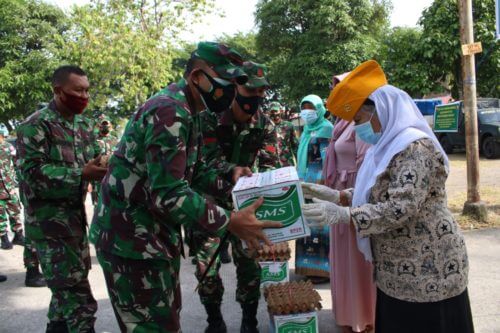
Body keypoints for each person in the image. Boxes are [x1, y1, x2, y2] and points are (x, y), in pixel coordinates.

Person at [89, 42, 281, 332]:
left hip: (151, 236)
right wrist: (230, 221)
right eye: (226, 82)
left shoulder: (190, 109)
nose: (231, 90)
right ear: (197, 77)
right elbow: (168, 193)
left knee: (166, 318)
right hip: (131, 240)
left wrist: (232, 176)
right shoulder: (170, 111)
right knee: (151, 325)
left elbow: (197, 169)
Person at [302, 60, 474, 333]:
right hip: (395, 269)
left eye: (359, 119)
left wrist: (347, 215)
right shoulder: (383, 147)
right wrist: (339, 196)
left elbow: (401, 206)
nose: (358, 128)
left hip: (428, 268)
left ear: (380, 110)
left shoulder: (415, 146)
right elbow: (377, 189)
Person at [17, 65, 106, 333]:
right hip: (49, 227)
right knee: (79, 302)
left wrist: (105, 166)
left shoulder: (84, 125)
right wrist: (82, 174)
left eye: (87, 90)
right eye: (77, 90)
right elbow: (32, 173)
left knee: (63, 298)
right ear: (58, 91)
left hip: (76, 223)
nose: (84, 96)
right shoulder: (35, 125)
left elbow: (96, 158)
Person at [192, 61, 279, 333]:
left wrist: (269, 179)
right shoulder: (208, 119)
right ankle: (214, 321)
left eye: (261, 93)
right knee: (206, 268)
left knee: (251, 268)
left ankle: (249, 321)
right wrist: (232, 171)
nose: (256, 98)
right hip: (209, 206)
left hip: (248, 208)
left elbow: (270, 162)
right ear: (234, 87)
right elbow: (204, 162)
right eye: (251, 91)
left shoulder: (265, 124)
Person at [317, 71, 376, 332]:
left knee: (356, 257)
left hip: (354, 194)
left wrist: (350, 194)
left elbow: (366, 163)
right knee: (342, 256)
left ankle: (363, 316)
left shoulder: (361, 123)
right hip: (339, 194)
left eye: (342, 90)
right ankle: (346, 312)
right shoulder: (342, 122)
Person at [295, 94, 333, 282]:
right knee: (305, 226)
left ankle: (320, 271)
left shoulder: (326, 128)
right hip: (302, 181)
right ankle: (306, 268)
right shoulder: (307, 129)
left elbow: (325, 159)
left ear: (319, 109)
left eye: (311, 107)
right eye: (304, 107)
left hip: (317, 182)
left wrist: (317, 182)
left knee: (318, 226)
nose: (307, 111)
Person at [0, 129, 24, 250]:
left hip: (9, 186)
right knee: (0, 214)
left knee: (15, 210)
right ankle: (3, 239)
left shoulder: (8, 146)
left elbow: (17, 161)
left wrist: (15, 179)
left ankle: (18, 235)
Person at [90, 115, 118, 205]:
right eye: (103, 125)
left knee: (112, 203)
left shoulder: (115, 140)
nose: (105, 127)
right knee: (98, 204)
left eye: (107, 125)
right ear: (99, 126)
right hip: (97, 176)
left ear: (111, 127)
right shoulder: (93, 139)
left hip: (111, 175)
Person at [269, 102, 298, 167]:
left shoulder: (289, 125)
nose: (274, 113)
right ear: (269, 113)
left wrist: (299, 161)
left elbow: (295, 145)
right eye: (272, 111)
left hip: (287, 163)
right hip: (272, 165)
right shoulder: (265, 127)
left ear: (281, 111)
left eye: (276, 111)